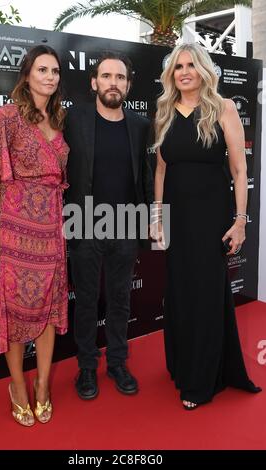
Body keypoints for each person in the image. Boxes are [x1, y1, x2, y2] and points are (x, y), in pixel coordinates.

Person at [152, 43, 261, 410]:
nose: (184, 72)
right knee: (181, 294)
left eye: (191, 65)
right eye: (178, 67)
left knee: (206, 295)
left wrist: (241, 221)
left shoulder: (223, 107)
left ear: (203, 70)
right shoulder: (164, 112)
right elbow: (162, 169)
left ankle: (203, 380)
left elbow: (239, 169)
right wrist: (157, 216)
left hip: (211, 217)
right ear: (171, 75)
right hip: (177, 219)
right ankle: (184, 365)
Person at [0, 45, 69, 426]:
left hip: (51, 229)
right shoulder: (7, 117)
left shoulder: (60, 120)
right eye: (42, 69)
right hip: (13, 229)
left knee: (48, 309)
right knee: (15, 313)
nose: (50, 76)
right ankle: (17, 385)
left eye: (55, 71)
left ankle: (43, 385)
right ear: (27, 74)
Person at [64, 51, 153, 400]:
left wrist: (155, 224)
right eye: (106, 76)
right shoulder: (74, 119)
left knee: (120, 299)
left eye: (119, 78)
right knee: (85, 300)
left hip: (127, 223)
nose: (113, 83)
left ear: (128, 85)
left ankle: (117, 361)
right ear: (94, 82)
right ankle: (86, 367)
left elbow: (148, 176)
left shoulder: (141, 125)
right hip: (83, 221)